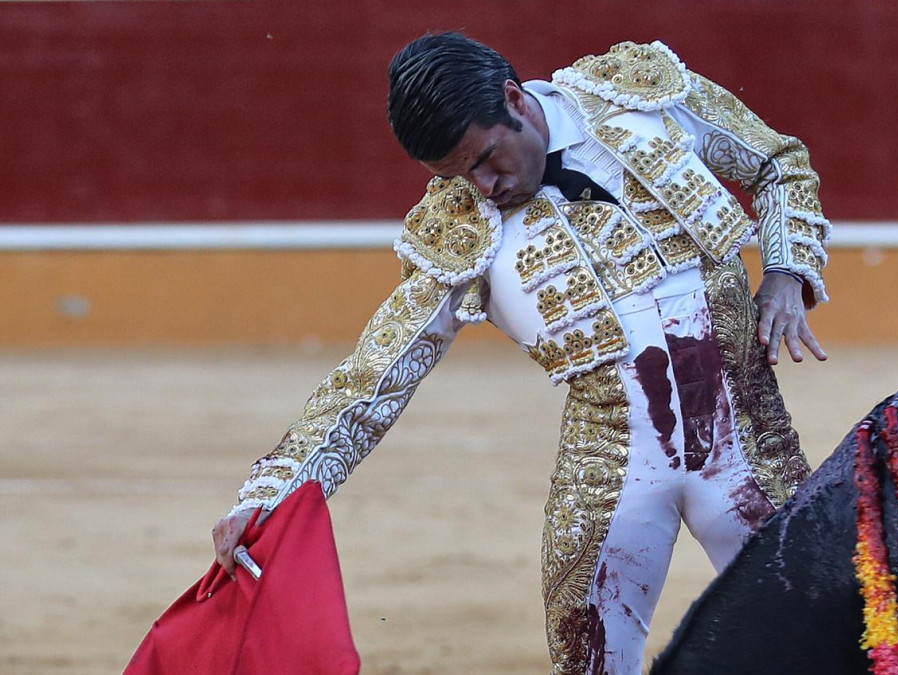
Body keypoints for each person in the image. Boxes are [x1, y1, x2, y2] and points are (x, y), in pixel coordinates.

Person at [212, 32, 830, 674]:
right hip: (611, 468)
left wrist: (786, 271)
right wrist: (270, 492)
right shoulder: (458, 230)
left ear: (515, 100)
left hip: (750, 443)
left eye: (485, 158)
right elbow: (375, 377)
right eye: (456, 176)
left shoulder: (640, 97)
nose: (482, 187)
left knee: (831, 638)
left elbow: (779, 160)